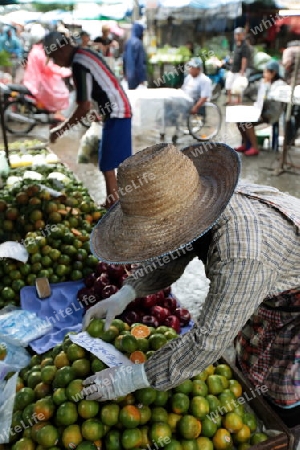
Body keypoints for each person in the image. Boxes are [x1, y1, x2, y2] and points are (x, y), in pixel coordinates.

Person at [81, 142, 300, 428]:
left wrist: (134, 377)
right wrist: (127, 292)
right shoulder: (205, 205)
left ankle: (286, 429)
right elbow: (175, 251)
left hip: (290, 300)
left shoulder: (243, 253)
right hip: (271, 274)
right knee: (251, 356)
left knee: (282, 383)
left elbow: (207, 341)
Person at [45, 31, 132, 209]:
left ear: (61, 49)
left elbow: (83, 105)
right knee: (111, 162)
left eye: (54, 58)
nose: (56, 63)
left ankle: (116, 205)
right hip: (115, 109)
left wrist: (60, 129)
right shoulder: (85, 54)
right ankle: (114, 202)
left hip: (117, 110)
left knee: (109, 164)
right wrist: (96, 108)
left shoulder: (78, 63)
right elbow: (98, 87)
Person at [235, 60, 286, 156]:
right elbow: (257, 96)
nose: (264, 74)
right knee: (239, 120)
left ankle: (255, 148)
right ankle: (246, 144)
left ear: (273, 73)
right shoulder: (264, 82)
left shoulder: (280, 84)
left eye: (266, 72)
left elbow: (271, 98)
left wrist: (266, 86)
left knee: (247, 123)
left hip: (271, 113)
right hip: (261, 110)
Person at [23, 27, 71, 123]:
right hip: (38, 81)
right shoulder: (39, 53)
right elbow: (48, 68)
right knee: (61, 91)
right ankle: (57, 113)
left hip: (34, 79)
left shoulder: (36, 50)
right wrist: (64, 71)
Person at [225, 27, 251, 105]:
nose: (237, 36)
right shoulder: (235, 44)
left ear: (243, 35)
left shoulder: (244, 46)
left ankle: (239, 101)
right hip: (232, 69)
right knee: (228, 85)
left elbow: (244, 59)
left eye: (239, 35)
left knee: (238, 87)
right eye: (236, 35)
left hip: (239, 70)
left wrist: (242, 70)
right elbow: (234, 55)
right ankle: (229, 99)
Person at [123, 22, 147, 90]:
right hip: (136, 76)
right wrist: (142, 78)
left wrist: (125, 74)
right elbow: (140, 62)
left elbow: (124, 59)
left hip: (129, 75)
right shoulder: (138, 44)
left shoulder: (128, 42)